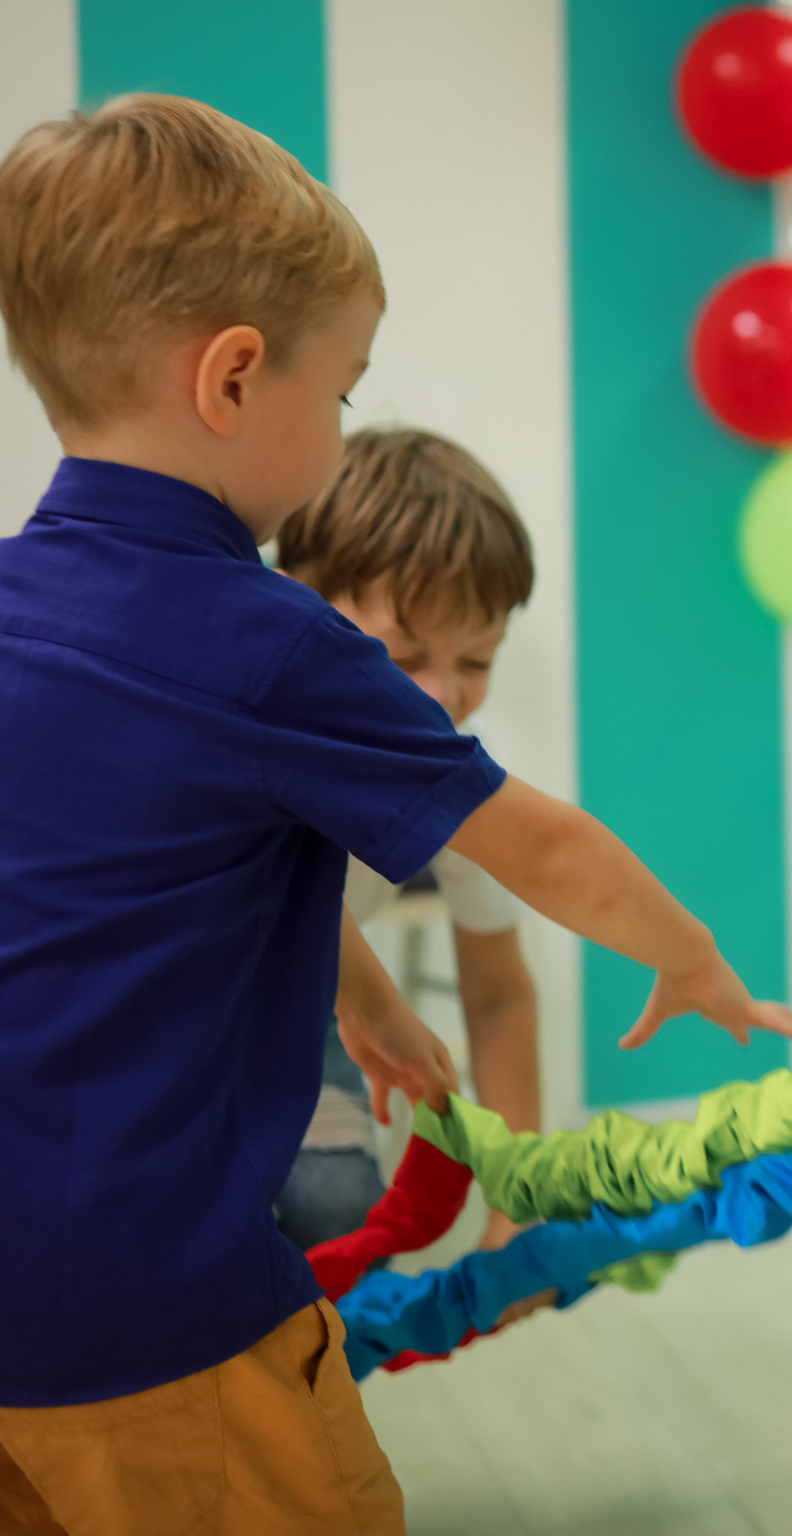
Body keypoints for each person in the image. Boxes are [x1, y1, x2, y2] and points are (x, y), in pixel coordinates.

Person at [0, 93, 792, 1534]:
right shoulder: (263, 639)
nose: (340, 429)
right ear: (235, 377)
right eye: (343, 391)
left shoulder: (0, 603)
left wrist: (368, 999)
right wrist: (694, 953)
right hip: (143, 1306)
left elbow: (157, 878)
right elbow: (549, 845)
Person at [269, 429, 552, 1319]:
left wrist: (518, 1209)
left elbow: (500, 996)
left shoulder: (457, 786)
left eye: (476, 662)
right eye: (402, 659)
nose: (441, 697)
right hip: (161, 1023)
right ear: (290, 605)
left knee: (336, 1213)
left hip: (308, 1018)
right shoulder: (242, 733)